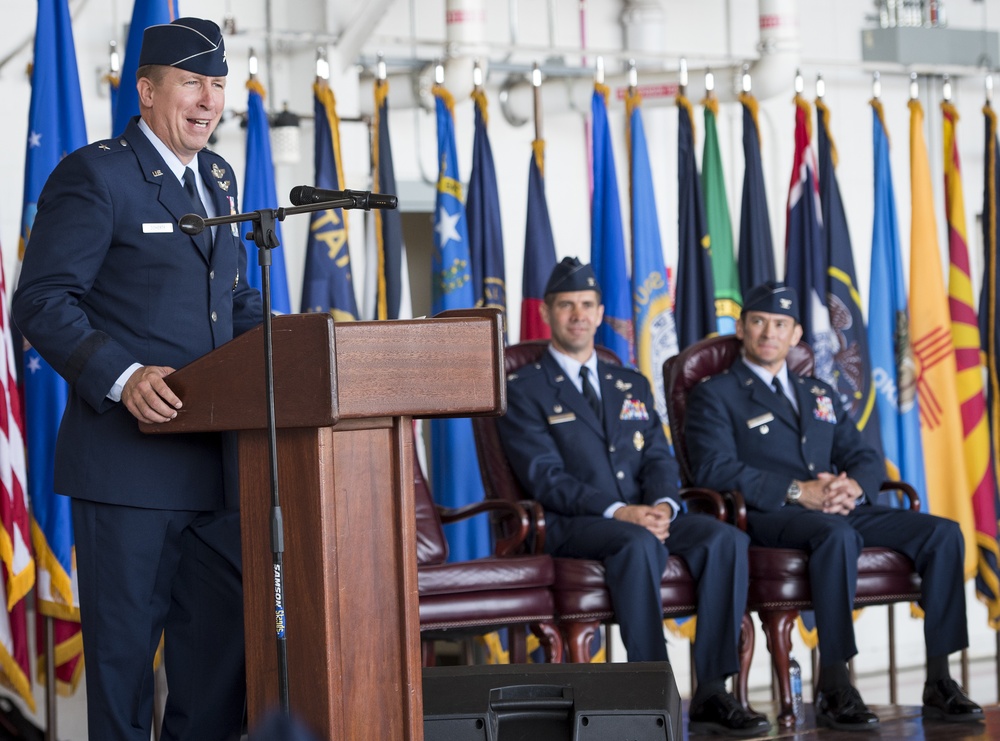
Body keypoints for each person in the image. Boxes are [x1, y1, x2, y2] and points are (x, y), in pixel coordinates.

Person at [13, 18, 262, 741]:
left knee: (214, 678)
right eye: (192, 82)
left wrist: (305, 341)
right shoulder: (97, 175)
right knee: (122, 684)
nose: (209, 100)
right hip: (129, 473)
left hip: (217, 471)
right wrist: (122, 376)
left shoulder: (218, 177)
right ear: (147, 91)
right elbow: (42, 300)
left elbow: (234, 302)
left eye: (218, 84)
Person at [685, 281, 983, 731]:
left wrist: (854, 488)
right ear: (743, 328)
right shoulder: (717, 393)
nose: (769, 333)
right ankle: (836, 684)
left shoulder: (817, 392)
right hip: (770, 514)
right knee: (838, 535)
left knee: (942, 532)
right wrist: (796, 491)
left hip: (834, 505)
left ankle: (939, 679)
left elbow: (862, 454)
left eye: (780, 324)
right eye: (759, 322)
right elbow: (713, 468)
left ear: (796, 334)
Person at [497, 257, 770, 737]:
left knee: (725, 540)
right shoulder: (524, 389)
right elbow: (544, 477)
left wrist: (663, 506)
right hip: (574, 521)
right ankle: (652, 690)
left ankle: (712, 691)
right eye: (567, 306)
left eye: (587, 305)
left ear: (601, 313)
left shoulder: (630, 384)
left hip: (645, 512)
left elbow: (660, 459)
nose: (578, 315)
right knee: (637, 543)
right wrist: (621, 512)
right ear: (547, 313)